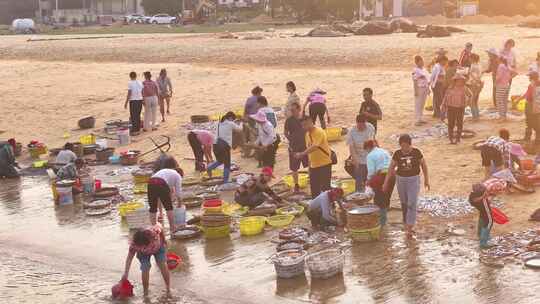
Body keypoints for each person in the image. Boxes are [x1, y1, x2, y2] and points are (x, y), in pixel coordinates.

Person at [383, 134, 430, 239]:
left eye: (406, 146)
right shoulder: (397, 154)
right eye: (402, 146)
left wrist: (426, 180)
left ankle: (409, 227)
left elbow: (424, 165)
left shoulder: (416, 152)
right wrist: (386, 183)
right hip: (401, 180)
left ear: (410, 144)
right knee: (404, 203)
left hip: (414, 180)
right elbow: (391, 168)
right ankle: (406, 223)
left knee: (412, 202)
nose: (404, 149)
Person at [121, 223, 170, 296]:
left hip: (158, 248)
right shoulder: (134, 245)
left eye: (145, 246)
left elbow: (160, 226)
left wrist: (164, 239)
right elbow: (129, 259)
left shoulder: (154, 232)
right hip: (143, 254)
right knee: (145, 268)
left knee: (162, 264)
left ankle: (168, 288)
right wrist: (126, 273)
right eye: (141, 247)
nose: (144, 248)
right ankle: (145, 292)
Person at [296, 116, 332, 198]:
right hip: (314, 166)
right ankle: (317, 207)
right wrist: (309, 167)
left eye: (305, 124)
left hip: (324, 164)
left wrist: (302, 154)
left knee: (325, 188)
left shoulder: (319, 131)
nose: (304, 127)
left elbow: (315, 146)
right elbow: (309, 152)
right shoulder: (307, 135)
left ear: (311, 122)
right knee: (314, 189)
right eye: (302, 125)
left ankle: (329, 206)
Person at [147, 157, 183, 235]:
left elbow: (161, 197)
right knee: (169, 207)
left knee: (153, 207)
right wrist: (180, 204)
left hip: (151, 182)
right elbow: (178, 193)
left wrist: (160, 212)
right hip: (161, 183)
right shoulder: (177, 176)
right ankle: (172, 227)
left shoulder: (166, 172)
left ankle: (154, 228)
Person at [207, 112, 242, 184]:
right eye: (233, 119)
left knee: (220, 161)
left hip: (215, 145)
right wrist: (242, 123)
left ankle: (209, 168)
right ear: (230, 118)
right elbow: (240, 129)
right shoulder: (230, 123)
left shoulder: (218, 123)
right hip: (224, 146)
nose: (233, 121)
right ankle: (225, 181)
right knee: (227, 164)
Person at [364, 140, 393, 226]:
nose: (367, 152)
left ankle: (382, 223)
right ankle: (384, 219)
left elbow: (371, 172)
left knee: (379, 200)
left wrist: (368, 181)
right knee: (386, 198)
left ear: (368, 148)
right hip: (392, 176)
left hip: (381, 177)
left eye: (366, 150)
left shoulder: (370, 155)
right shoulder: (384, 151)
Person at [347, 114, 375, 192]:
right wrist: (355, 160)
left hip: (369, 156)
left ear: (365, 123)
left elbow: (373, 141)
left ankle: (370, 194)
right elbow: (351, 147)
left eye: (362, 126)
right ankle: (359, 194)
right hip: (359, 157)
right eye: (359, 126)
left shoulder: (371, 128)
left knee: (371, 179)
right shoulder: (351, 132)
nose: (361, 127)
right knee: (359, 179)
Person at [284, 102, 307, 193]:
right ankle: (296, 184)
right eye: (291, 110)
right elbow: (285, 132)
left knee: (310, 164)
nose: (292, 112)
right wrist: (291, 140)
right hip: (294, 147)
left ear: (299, 109)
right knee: (294, 168)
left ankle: (313, 180)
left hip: (305, 146)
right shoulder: (289, 120)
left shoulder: (305, 118)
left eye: (294, 110)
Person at [442, 74, 468, 144]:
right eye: (459, 81)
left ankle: (458, 138)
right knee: (451, 124)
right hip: (451, 108)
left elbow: (471, 95)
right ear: (455, 81)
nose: (460, 82)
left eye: (462, 81)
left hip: (460, 108)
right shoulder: (450, 88)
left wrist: (466, 103)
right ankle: (451, 139)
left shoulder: (464, 88)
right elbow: (445, 99)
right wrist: (443, 109)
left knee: (459, 124)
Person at [468, 183, 494, 249]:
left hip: (482, 211)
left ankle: (480, 235)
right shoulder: (482, 200)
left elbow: (473, 201)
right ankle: (483, 243)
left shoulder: (472, 195)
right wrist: (484, 197)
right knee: (489, 223)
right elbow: (486, 202)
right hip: (485, 211)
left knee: (482, 220)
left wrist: (486, 196)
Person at [242, 86, 263, 158]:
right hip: (259, 119)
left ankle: (247, 153)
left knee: (251, 136)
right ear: (258, 92)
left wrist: (244, 118)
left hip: (251, 119)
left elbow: (246, 110)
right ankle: (256, 153)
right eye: (260, 92)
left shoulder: (249, 99)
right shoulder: (261, 99)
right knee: (258, 135)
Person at [495, 56, 517, 120]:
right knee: (504, 101)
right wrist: (509, 78)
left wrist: (495, 83)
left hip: (501, 85)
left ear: (500, 60)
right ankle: (504, 116)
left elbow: (499, 77)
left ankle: (502, 117)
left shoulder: (500, 66)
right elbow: (516, 73)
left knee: (499, 101)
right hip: (507, 85)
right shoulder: (507, 66)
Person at [523, 69, 540, 143]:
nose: (528, 78)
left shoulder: (532, 85)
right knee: (537, 122)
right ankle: (537, 138)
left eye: (529, 77)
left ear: (532, 78)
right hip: (537, 106)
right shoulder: (537, 85)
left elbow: (529, 96)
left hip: (530, 106)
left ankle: (527, 138)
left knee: (529, 122)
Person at [412, 55, 430, 126]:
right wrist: (415, 90)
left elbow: (427, 79)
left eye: (422, 61)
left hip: (425, 87)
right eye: (420, 61)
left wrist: (428, 88)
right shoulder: (415, 70)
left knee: (422, 104)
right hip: (419, 88)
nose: (422, 62)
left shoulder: (424, 69)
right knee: (418, 104)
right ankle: (417, 120)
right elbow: (415, 81)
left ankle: (420, 118)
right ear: (417, 62)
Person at [468, 53, 483, 120]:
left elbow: (473, 75)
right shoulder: (479, 65)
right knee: (475, 101)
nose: (469, 59)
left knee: (472, 101)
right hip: (478, 83)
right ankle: (477, 115)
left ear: (472, 59)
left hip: (474, 84)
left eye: (470, 58)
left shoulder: (473, 65)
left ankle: (475, 116)